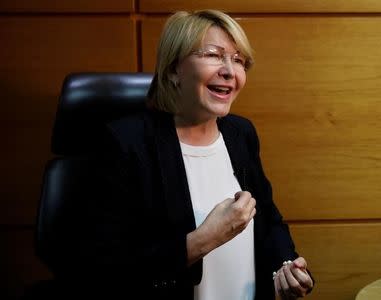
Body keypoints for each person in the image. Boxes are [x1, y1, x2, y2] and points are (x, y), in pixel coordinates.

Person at [48, 9, 314, 300]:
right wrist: (204, 240)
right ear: (174, 70)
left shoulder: (241, 134)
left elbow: (269, 219)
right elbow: (104, 264)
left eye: (238, 60)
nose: (229, 70)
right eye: (214, 55)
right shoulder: (126, 143)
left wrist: (285, 265)